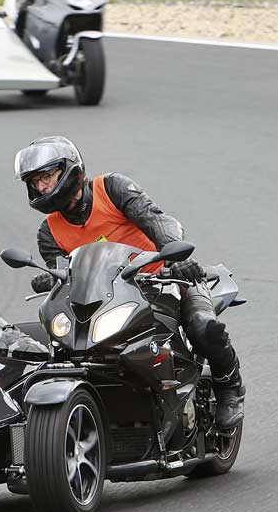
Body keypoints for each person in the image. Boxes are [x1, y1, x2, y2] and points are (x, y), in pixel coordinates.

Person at [13, 136, 246, 430]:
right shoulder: (49, 232)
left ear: (70, 170)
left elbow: (157, 220)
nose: (43, 186)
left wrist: (176, 256)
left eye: (48, 176)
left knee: (203, 326)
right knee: (63, 345)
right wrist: (51, 278)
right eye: (36, 181)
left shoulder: (111, 189)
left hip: (164, 280)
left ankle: (230, 389)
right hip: (110, 297)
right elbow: (64, 275)